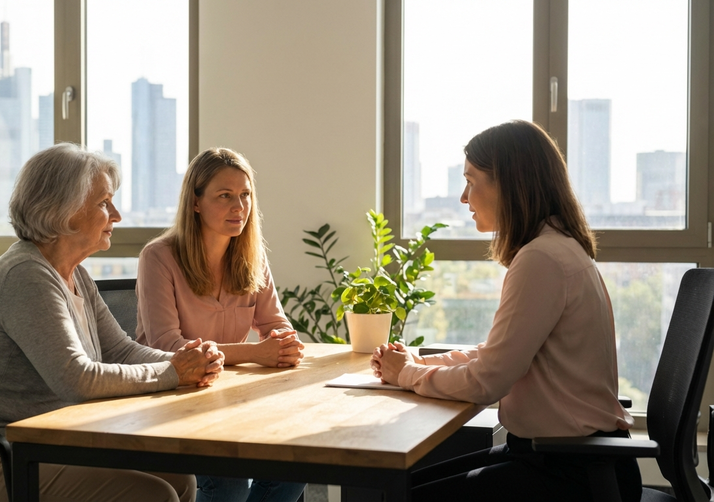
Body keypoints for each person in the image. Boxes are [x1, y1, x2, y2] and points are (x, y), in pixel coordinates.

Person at [0, 143, 225, 502]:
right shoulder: (25, 275)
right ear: (63, 212)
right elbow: (77, 379)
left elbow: (120, 350)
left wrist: (187, 359)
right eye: (103, 203)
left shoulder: (74, 273)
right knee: (153, 495)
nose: (116, 215)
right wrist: (175, 372)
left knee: (179, 479)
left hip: (39, 446)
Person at [371, 120, 641, 501]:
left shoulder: (541, 260)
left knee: (401, 495)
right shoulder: (557, 247)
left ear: (509, 184)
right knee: (402, 486)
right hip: (570, 460)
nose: (464, 198)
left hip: (570, 473)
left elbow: (488, 382)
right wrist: (419, 364)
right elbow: (497, 355)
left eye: (471, 180)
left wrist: (408, 375)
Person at [135, 147, 306, 502]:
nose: (239, 207)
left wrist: (287, 344)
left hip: (230, 396)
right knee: (228, 481)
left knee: (299, 461)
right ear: (195, 202)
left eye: (245, 196)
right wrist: (257, 353)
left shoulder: (251, 258)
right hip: (171, 398)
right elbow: (167, 346)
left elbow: (277, 325)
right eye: (225, 196)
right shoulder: (159, 257)